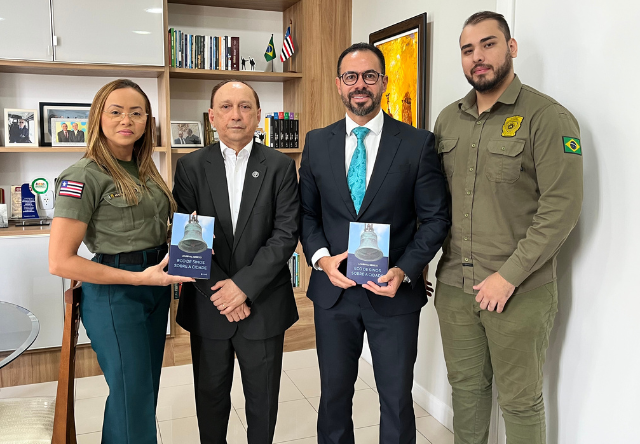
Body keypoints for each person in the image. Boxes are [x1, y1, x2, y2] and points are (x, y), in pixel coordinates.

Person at [433, 11, 583, 444]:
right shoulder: (447, 120)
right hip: (455, 287)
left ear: (510, 47)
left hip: (518, 292)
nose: (477, 57)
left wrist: (508, 277)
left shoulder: (548, 117)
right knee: (466, 394)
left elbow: (561, 207)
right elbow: (435, 202)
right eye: (468, 49)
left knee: (520, 403)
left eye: (488, 44)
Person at [299, 43, 450, 444]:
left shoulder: (417, 143)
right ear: (339, 84)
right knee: (333, 397)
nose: (360, 85)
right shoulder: (317, 142)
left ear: (383, 82)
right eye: (351, 77)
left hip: (393, 293)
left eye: (369, 76)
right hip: (334, 293)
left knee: (396, 400)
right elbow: (307, 214)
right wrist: (322, 260)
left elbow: (436, 218)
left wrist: (405, 269)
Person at [48, 79, 194, 444]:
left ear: (147, 121)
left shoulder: (146, 170)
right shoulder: (84, 174)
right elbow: (60, 262)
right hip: (117, 294)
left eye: (136, 112)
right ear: (98, 118)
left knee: (143, 393)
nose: (126, 120)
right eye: (115, 111)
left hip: (154, 288)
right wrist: (138, 279)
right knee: (132, 398)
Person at [173, 79, 300, 444]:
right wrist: (224, 293)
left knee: (263, 401)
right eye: (226, 107)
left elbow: (286, 234)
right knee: (210, 398)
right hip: (208, 303)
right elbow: (186, 238)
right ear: (212, 116)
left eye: (245, 106)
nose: (236, 115)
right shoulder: (190, 166)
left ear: (258, 116)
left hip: (263, 303)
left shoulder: (280, 166)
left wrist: (243, 287)